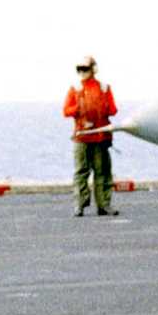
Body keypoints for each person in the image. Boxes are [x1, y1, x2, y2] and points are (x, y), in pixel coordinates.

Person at [63, 55, 118, 217]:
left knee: (103, 172)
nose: (81, 72)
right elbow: (66, 110)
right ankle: (79, 205)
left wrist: (102, 107)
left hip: (101, 137)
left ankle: (104, 205)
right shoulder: (75, 88)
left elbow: (113, 109)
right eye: (79, 69)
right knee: (81, 171)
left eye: (85, 69)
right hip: (82, 136)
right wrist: (78, 109)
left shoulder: (104, 87)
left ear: (93, 69)